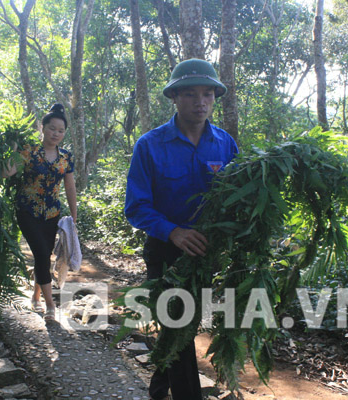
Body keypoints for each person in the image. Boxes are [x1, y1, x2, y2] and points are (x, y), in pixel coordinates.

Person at [124, 59, 240, 400]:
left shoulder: (225, 145)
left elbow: (235, 199)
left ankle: (158, 392)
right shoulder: (150, 145)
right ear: (174, 97)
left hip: (206, 254)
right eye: (190, 94)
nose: (200, 101)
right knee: (179, 331)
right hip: (165, 252)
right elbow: (136, 206)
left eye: (207, 94)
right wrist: (174, 232)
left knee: (180, 328)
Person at [4, 103, 78, 321]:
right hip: (27, 211)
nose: (56, 133)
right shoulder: (28, 151)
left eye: (60, 130)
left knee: (44, 255)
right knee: (40, 253)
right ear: (42, 128)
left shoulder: (66, 157)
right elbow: (6, 173)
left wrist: (74, 215)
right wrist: (14, 149)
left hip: (52, 214)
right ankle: (50, 306)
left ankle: (35, 296)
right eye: (52, 128)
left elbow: (70, 187)